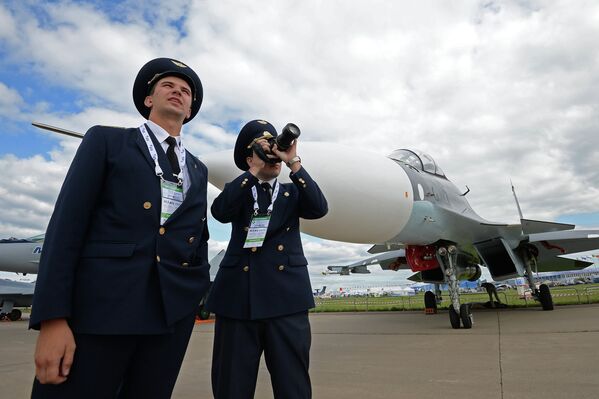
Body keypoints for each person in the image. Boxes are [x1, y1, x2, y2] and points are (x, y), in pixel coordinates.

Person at [29, 58, 211, 398]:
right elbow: (66, 228)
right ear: (148, 100)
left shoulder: (197, 170)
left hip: (168, 319)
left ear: (190, 109)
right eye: (168, 86)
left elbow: (197, 241)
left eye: (186, 91)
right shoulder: (107, 142)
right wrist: (52, 319)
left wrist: (192, 298)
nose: (178, 92)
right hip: (102, 311)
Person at [206, 120, 328, 399]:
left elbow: (319, 208)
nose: (271, 157)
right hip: (238, 299)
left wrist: (293, 162)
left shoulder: (293, 192)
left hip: (287, 300)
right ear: (249, 158)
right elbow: (220, 212)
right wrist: (253, 171)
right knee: (232, 385)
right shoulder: (238, 189)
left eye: (273, 148)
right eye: (261, 151)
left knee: (292, 384)